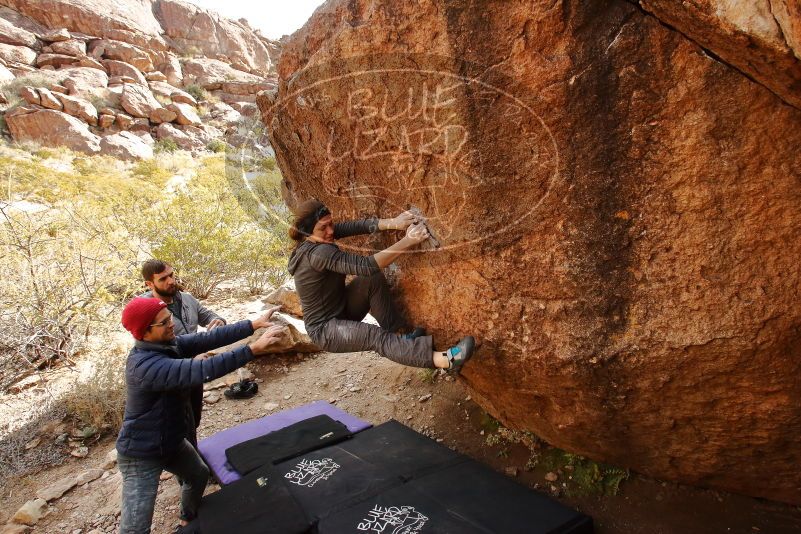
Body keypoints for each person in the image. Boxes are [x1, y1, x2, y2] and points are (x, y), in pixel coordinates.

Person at [116, 297, 283, 533]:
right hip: (141, 453)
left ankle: (187, 518)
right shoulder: (145, 366)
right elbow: (202, 370)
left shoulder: (169, 344)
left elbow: (209, 338)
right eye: (164, 323)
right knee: (135, 528)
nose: (171, 324)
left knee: (198, 474)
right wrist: (252, 349)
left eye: (169, 318)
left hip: (171, 442)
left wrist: (252, 325)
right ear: (144, 332)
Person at [287, 200, 475, 371]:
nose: (331, 231)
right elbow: (366, 265)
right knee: (375, 337)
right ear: (308, 232)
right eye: (323, 228)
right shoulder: (318, 254)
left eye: (331, 224)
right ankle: (446, 360)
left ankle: (402, 337)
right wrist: (408, 240)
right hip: (325, 330)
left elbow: (354, 226)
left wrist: (394, 222)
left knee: (373, 279)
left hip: (342, 309)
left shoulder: (317, 237)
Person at [140, 259, 224, 447]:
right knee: (178, 423)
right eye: (163, 279)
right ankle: (190, 470)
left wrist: (218, 320)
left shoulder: (186, 299)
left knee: (194, 417)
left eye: (171, 275)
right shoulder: (145, 308)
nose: (170, 281)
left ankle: (194, 461)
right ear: (149, 284)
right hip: (171, 374)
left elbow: (207, 315)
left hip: (194, 370)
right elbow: (149, 348)